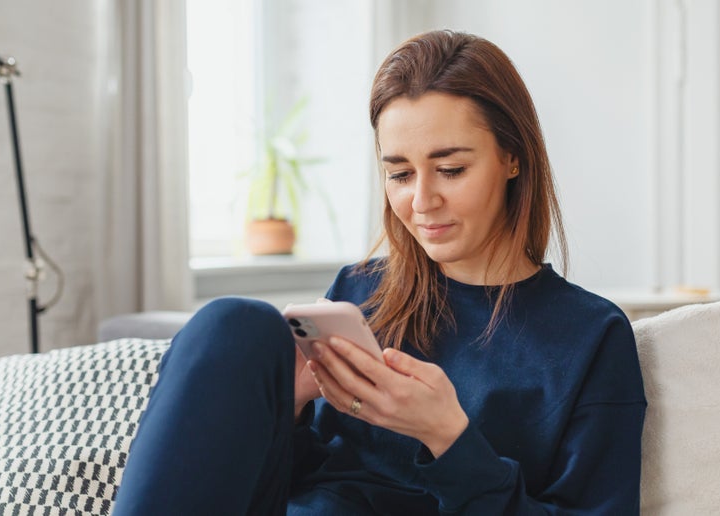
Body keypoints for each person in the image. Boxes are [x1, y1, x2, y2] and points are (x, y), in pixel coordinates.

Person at [112, 29, 646, 515]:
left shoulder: (591, 337)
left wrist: (448, 437)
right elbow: (300, 474)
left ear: (513, 158)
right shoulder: (360, 291)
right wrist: (292, 406)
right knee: (233, 324)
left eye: (451, 169)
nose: (421, 201)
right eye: (399, 173)